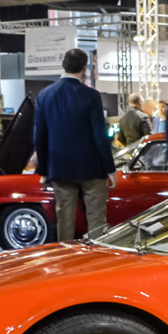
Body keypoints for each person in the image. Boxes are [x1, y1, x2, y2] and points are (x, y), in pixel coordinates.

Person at [33, 48, 116, 241]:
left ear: (63, 65)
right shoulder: (91, 95)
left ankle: (66, 255)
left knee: (64, 220)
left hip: (60, 168)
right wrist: (110, 169)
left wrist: (43, 170)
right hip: (91, 168)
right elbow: (100, 135)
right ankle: (97, 255)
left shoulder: (44, 96)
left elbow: (39, 137)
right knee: (96, 219)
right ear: (85, 67)